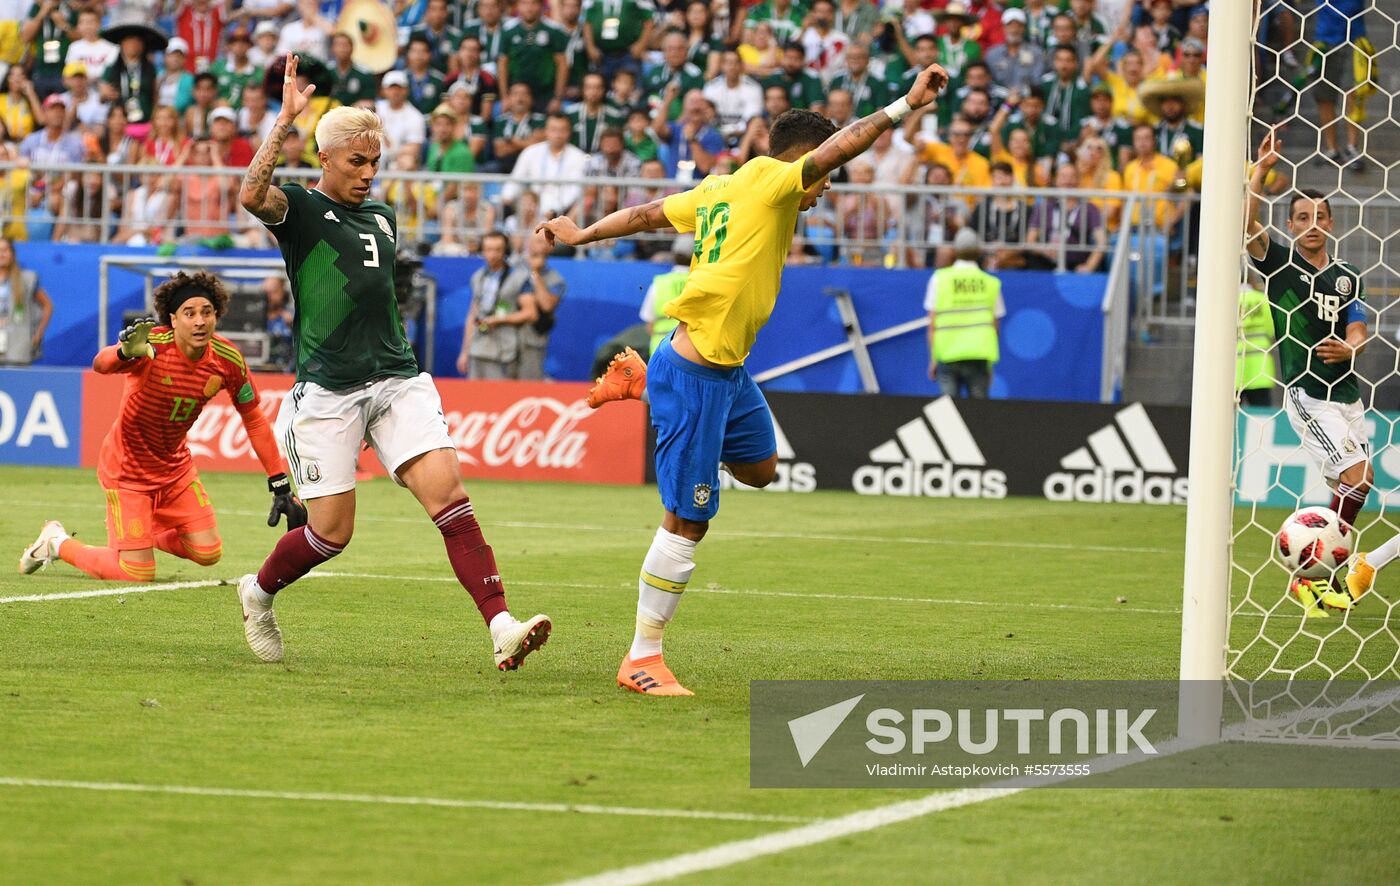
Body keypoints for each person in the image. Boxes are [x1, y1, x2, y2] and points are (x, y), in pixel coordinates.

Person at [536, 63, 950, 696]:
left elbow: (649, 213)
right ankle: (641, 658)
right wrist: (906, 107)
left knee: (760, 469)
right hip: (698, 373)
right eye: (824, 176)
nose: (824, 190)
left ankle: (644, 383)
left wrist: (584, 233)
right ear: (803, 160)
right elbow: (844, 145)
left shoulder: (721, 186)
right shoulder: (776, 186)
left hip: (726, 371)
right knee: (687, 520)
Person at [237, 56, 551, 669]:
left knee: (451, 499)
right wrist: (283, 122)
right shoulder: (299, 211)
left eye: (375, 162)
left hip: (396, 380)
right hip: (327, 390)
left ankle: (501, 626)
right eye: (357, 162)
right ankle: (257, 591)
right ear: (325, 159)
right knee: (331, 534)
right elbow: (251, 194)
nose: (368, 174)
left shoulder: (383, 218)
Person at [18, 272, 303, 583]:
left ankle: (138, 535)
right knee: (137, 573)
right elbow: (101, 364)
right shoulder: (151, 345)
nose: (199, 321)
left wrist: (280, 482)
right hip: (128, 469)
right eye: (189, 313)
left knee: (209, 552)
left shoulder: (227, 359)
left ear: (216, 315)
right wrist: (124, 352)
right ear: (173, 318)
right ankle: (57, 542)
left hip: (174, 468)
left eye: (206, 312)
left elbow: (254, 420)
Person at [1245, 131, 1370, 614]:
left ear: (1332, 223)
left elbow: (1357, 323)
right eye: (1302, 217)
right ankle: (1317, 571)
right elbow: (1248, 225)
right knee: (1359, 478)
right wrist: (1260, 171)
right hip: (1307, 392)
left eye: (1319, 216)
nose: (1311, 224)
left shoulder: (1347, 273)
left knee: (1351, 488)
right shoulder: (1279, 265)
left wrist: (1350, 346)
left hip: (1349, 392)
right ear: (1291, 225)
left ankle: (1312, 574)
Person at [925, 227, 1003, 398]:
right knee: (979, 417)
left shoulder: (939, 279)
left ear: (955, 251)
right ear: (978, 251)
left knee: (949, 415)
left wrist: (933, 358)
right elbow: (994, 327)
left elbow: (932, 325)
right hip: (978, 356)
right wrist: (989, 365)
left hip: (947, 355)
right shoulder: (990, 283)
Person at [459, 229, 521, 379]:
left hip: (503, 349)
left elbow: (530, 313)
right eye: (488, 250)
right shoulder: (478, 277)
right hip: (478, 346)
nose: (493, 254)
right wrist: (465, 351)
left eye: (498, 250)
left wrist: (500, 319)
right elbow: (472, 314)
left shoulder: (518, 277)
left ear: (505, 250)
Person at [507, 236, 565, 380]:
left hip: (532, 341)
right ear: (529, 243)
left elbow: (547, 305)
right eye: (539, 241)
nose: (542, 246)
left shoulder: (556, 279)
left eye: (547, 243)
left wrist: (535, 273)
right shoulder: (512, 268)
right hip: (505, 339)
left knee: (529, 384)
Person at [0, 236, 51, 364]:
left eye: (5, 250)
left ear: (12, 254)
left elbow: (47, 305)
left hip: (17, 345)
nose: (1, 254)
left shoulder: (27, 279)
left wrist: (38, 333)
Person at [1236, 277, 1274, 408]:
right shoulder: (1262, 300)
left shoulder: (1228, 301)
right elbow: (1271, 329)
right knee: (1260, 415)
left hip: (1233, 368)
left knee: (1228, 419)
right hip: (1260, 367)